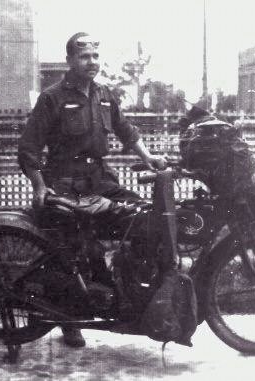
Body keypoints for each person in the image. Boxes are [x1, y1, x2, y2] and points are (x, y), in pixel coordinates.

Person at [18, 32, 166, 348]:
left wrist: (149, 157)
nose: (92, 62)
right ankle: (69, 319)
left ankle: (128, 289)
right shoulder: (53, 97)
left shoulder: (104, 95)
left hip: (100, 179)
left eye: (96, 56)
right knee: (76, 248)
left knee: (143, 217)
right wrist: (39, 186)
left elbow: (127, 131)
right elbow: (29, 147)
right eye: (84, 56)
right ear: (70, 60)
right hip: (65, 181)